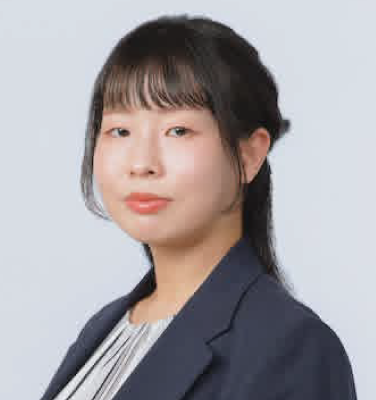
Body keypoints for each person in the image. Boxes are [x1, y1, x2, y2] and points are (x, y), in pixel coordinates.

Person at [39, 14, 358, 400]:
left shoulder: (292, 347)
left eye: (178, 130)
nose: (141, 163)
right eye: (120, 131)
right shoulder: (103, 329)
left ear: (249, 155)